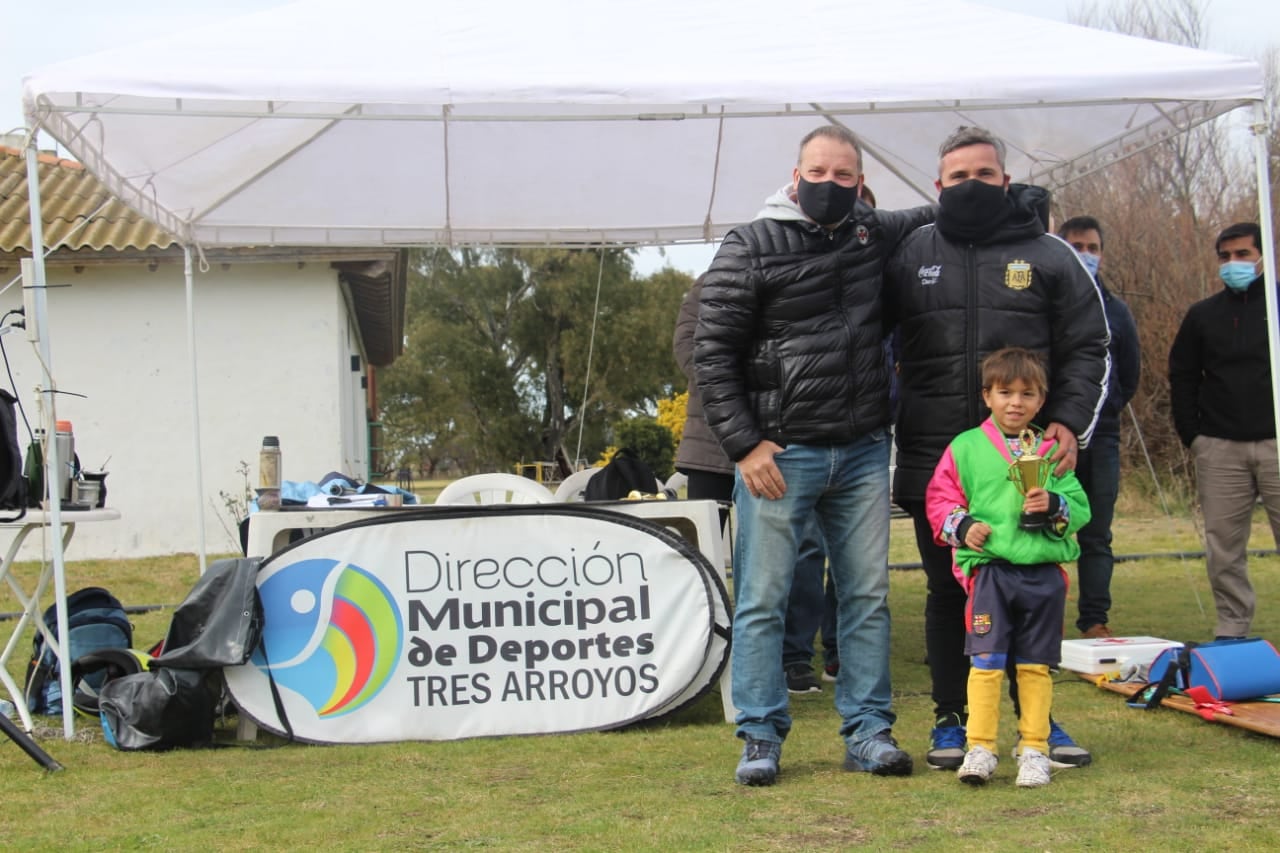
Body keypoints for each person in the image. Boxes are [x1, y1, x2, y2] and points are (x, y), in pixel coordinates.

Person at [695, 124, 933, 785]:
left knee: (866, 596)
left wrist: (1011, 201)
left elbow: (940, 210)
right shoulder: (748, 243)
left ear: (860, 184)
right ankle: (760, 736)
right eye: (819, 172)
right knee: (764, 598)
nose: (831, 185)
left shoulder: (872, 233)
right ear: (794, 176)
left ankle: (869, 731)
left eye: (845, 175)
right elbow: (711, 354)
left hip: (861, 451)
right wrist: (744, 444)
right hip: (781, 453)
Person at [883, 125, 1110, 771]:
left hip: (1028, 462)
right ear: (937, 186)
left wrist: (1068, 420)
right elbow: (867, 340)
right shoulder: (910, 253)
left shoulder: (1050, 254)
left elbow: (1091, 345)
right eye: (958, 177)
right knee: (950, 592)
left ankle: (1036, 719)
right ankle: (953, 718)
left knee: (1030, 589)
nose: (971, 186)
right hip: (938, 460)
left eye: (984, 175)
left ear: (1005, 182)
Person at [926, 347, 1091, 788]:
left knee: (1035, 665)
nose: (1015, 402)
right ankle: (979, 747)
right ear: (987, 396)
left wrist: (1054, 504)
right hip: (992, 576)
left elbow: (1080, 506)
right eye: (1005, 392)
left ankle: (1034, 748)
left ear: (1041, 400)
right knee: (986, 661)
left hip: (1042, 575)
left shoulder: (1051, 450)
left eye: (1027, 394)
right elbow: (940, 499)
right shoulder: (965, 447)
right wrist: (965, 527)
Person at [674, 277, 829, 696]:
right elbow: (691, 352)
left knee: (803, 549)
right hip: (712, 446)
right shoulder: (705, 288)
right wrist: (755, 379)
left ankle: (794, 656)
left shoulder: (791, 282)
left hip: (783, 442)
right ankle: (702, 656)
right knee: (701, 557)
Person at [1169, 222, 1280, 640]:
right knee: (1223, 545)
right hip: (1220, 448)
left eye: (1243, 255)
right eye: (1226, 256)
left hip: (1276, 443)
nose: (1234, 264)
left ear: (1262, 256)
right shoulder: (1203, 316)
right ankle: (1232, 625)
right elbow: (1182, 375)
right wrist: (1193, 435)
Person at [1057, 216, 1141, 638]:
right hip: (1049, 435)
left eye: (1091, 247)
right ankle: (1035, 618)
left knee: (1096, 533)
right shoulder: (1047, 303)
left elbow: (1129, 375)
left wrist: (1098, 415)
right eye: (1074, 246)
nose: (1084, 254)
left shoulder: (1118, 312)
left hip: (1102, 436)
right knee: (1037, 526)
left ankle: (1094, 619)